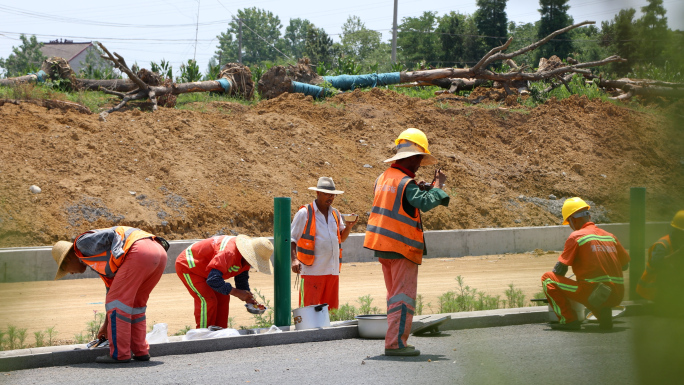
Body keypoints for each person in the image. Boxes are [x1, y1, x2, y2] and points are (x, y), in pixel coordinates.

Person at [363, 128, 450, 357]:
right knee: (403, 297)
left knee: (394, 296)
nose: (420, 164)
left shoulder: (383, 178)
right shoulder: (405, 183)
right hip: (402, 248)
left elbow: (401, 201)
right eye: (419, 159)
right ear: (410, 157)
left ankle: (393, 340)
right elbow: (423, 203)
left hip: (383, 246)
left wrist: (418, 186)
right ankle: (396, 344)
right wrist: (438, 186)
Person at [51, 226, 170, 364]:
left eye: (65, 269)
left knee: (119, 304)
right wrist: (106, 325)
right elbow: (112, 297)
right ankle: (140, 351)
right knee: (136, 305)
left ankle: (120, 354)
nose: (70, 273)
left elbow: (110, 235)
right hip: (158, 251)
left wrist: (118, 250)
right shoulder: (99, 261)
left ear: (68, 259)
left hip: (138, 251)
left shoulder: (81, 244)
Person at [541, 197, 630, 330]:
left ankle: (568, 321)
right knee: (591, 286)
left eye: (569, 222)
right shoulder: (610, 236)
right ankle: (603, 314)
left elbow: (559, 271)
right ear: (588, 216)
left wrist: (554, 292)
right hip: (617, 295)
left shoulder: (576, 236)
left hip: (592, 293)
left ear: (573, 219)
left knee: (548, 279)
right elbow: (625, 266)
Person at [175, 234, 273, 329]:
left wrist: (248, 298)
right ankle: (203, 336)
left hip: (207, 270)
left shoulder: (245, 256)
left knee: (223, 297)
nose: (252, 264)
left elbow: (241, 279)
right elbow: (213, 280)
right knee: (208, 300)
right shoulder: (229, 253)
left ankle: (219, 334)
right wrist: (237, 293)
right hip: (190, 267)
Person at [290, 177, 357, 310]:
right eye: (326, 194)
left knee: (331, 312)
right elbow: (291, 238)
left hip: (332, 271)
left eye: (332, 195)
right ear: (318, 193)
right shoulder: (305, 213)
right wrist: (294, 260)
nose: (330, 197)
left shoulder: (335, 214)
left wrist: (349, 227)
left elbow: (341, 238)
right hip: (312, 271)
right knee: (309, 311)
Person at [636, 210, 684, 308]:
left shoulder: (679, 243)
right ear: (678, 231)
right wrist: (678, 253)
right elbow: (656, 264)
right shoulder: (662, 245)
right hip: (653, 290)